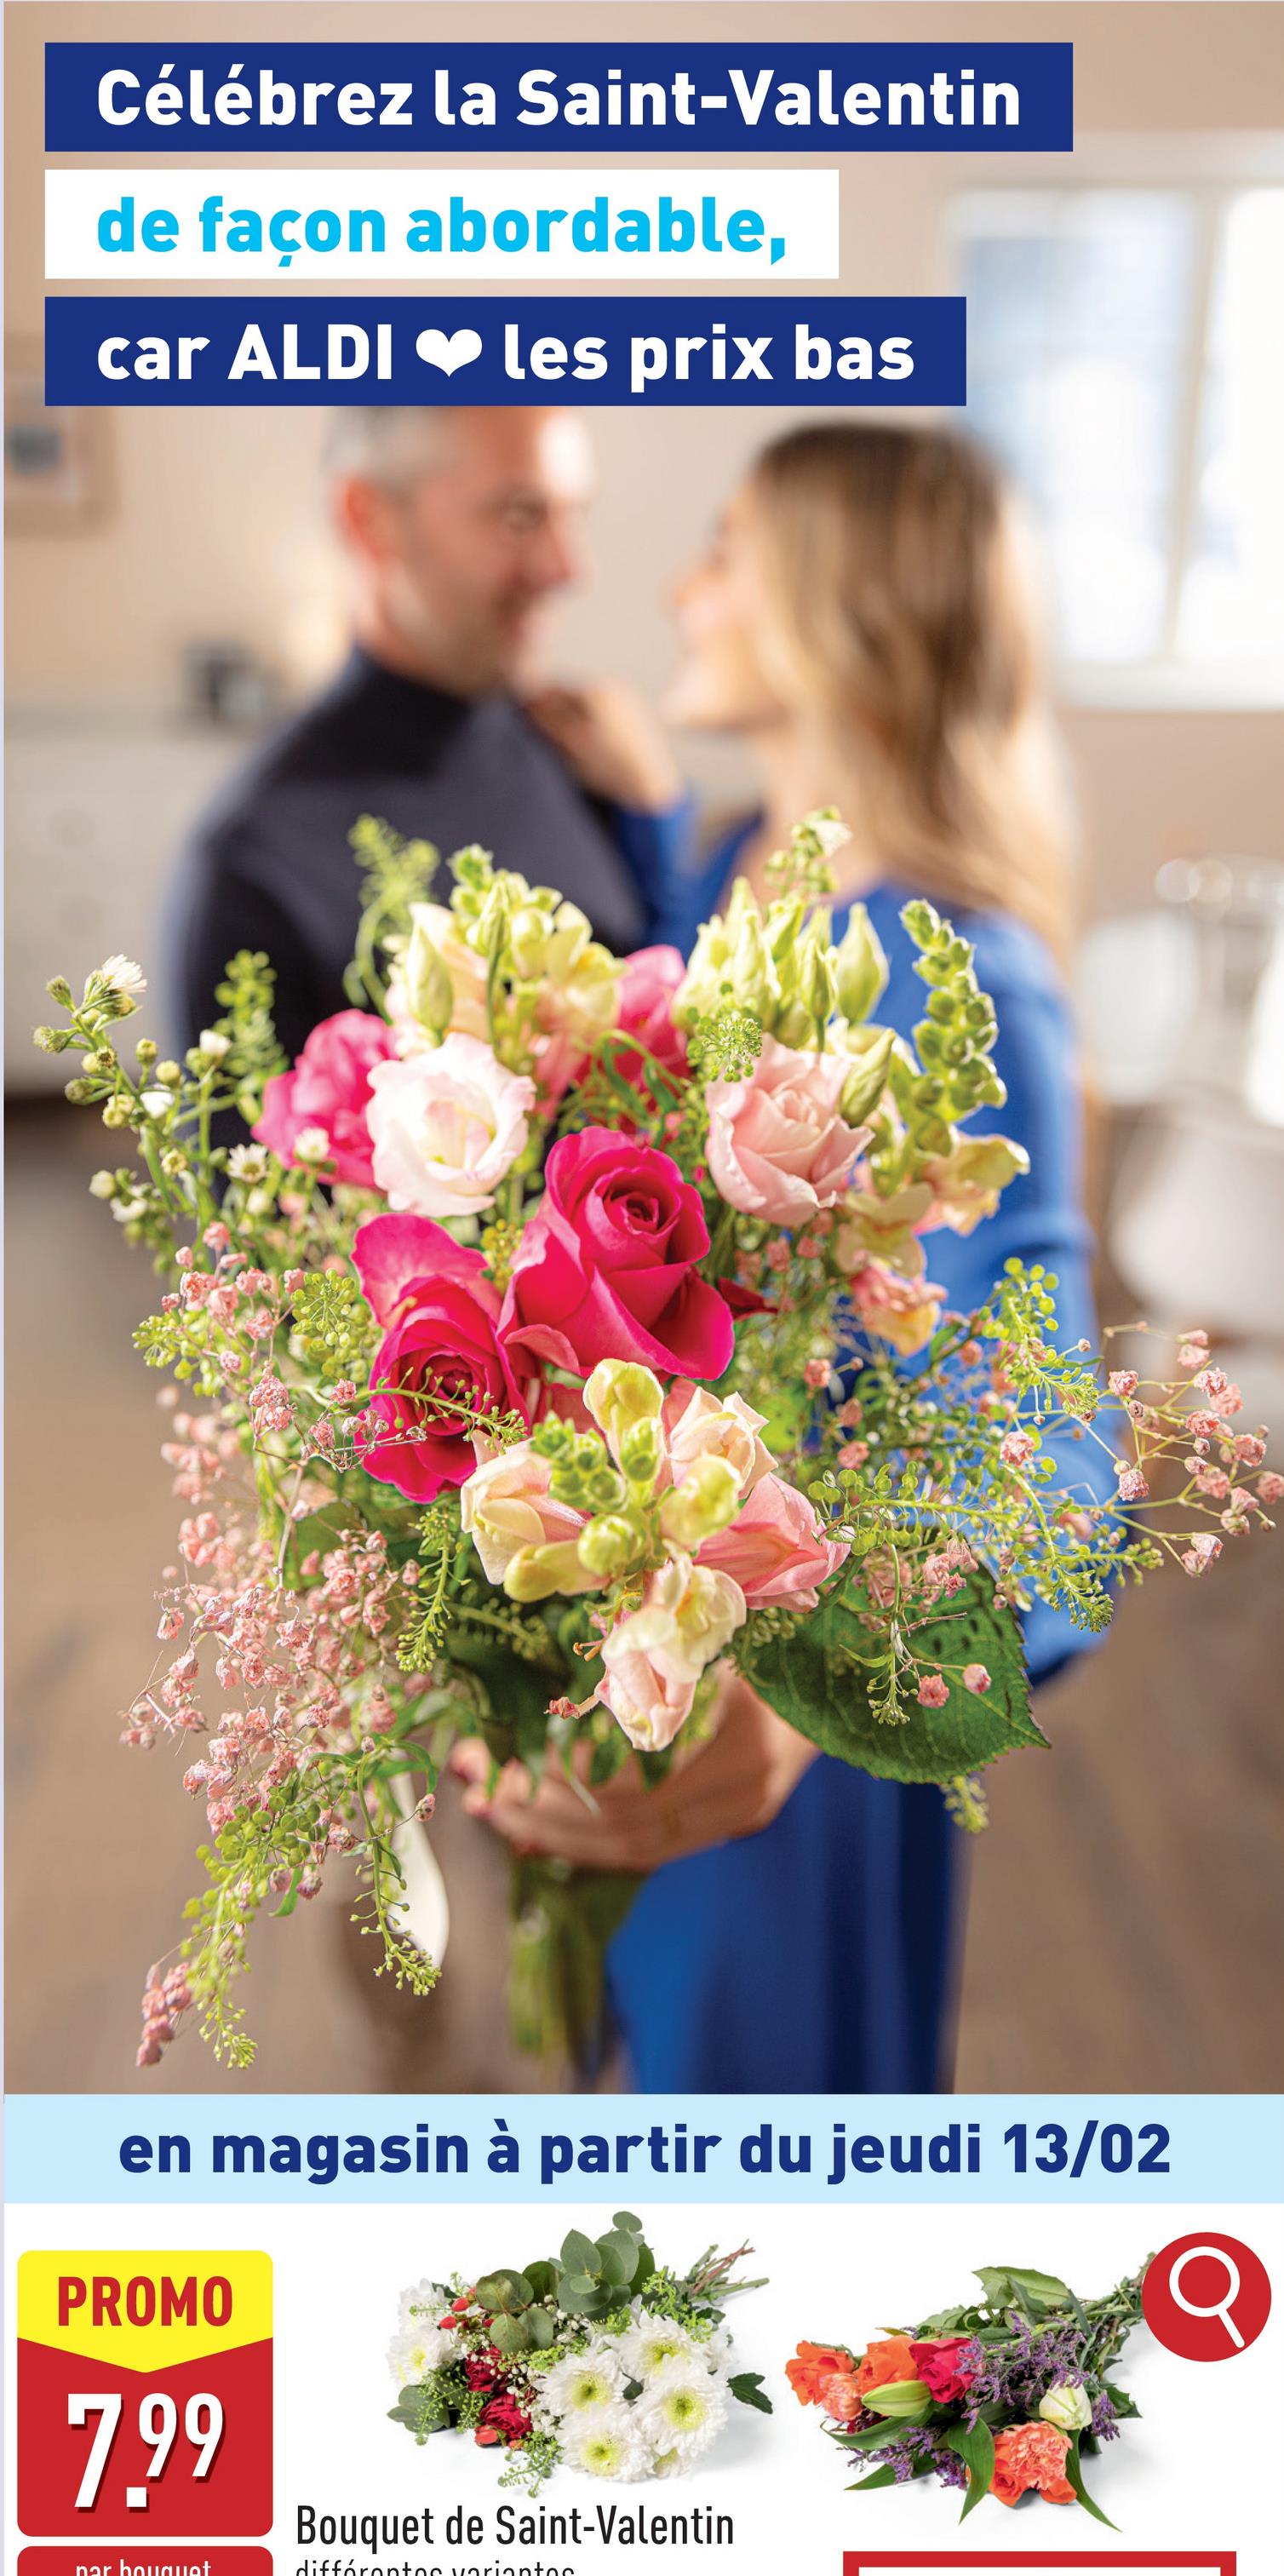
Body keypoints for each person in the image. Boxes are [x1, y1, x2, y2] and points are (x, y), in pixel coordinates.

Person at [455, 422, 1119, 2093]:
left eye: (725, 551)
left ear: (841, 609)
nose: (679, 588)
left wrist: (824, 1694)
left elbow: (1050, 1458)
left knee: (757, 2182)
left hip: (777, 1734)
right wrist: (660, 804)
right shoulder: (752, 855)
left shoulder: (955, 968)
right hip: (648, 1641)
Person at [164, 405, 684, 1057]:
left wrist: (659, 814)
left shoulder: (584, 756)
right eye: (520, 516)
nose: (568, 568)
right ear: (369, 517)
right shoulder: (256, 863)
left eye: (573, 515)